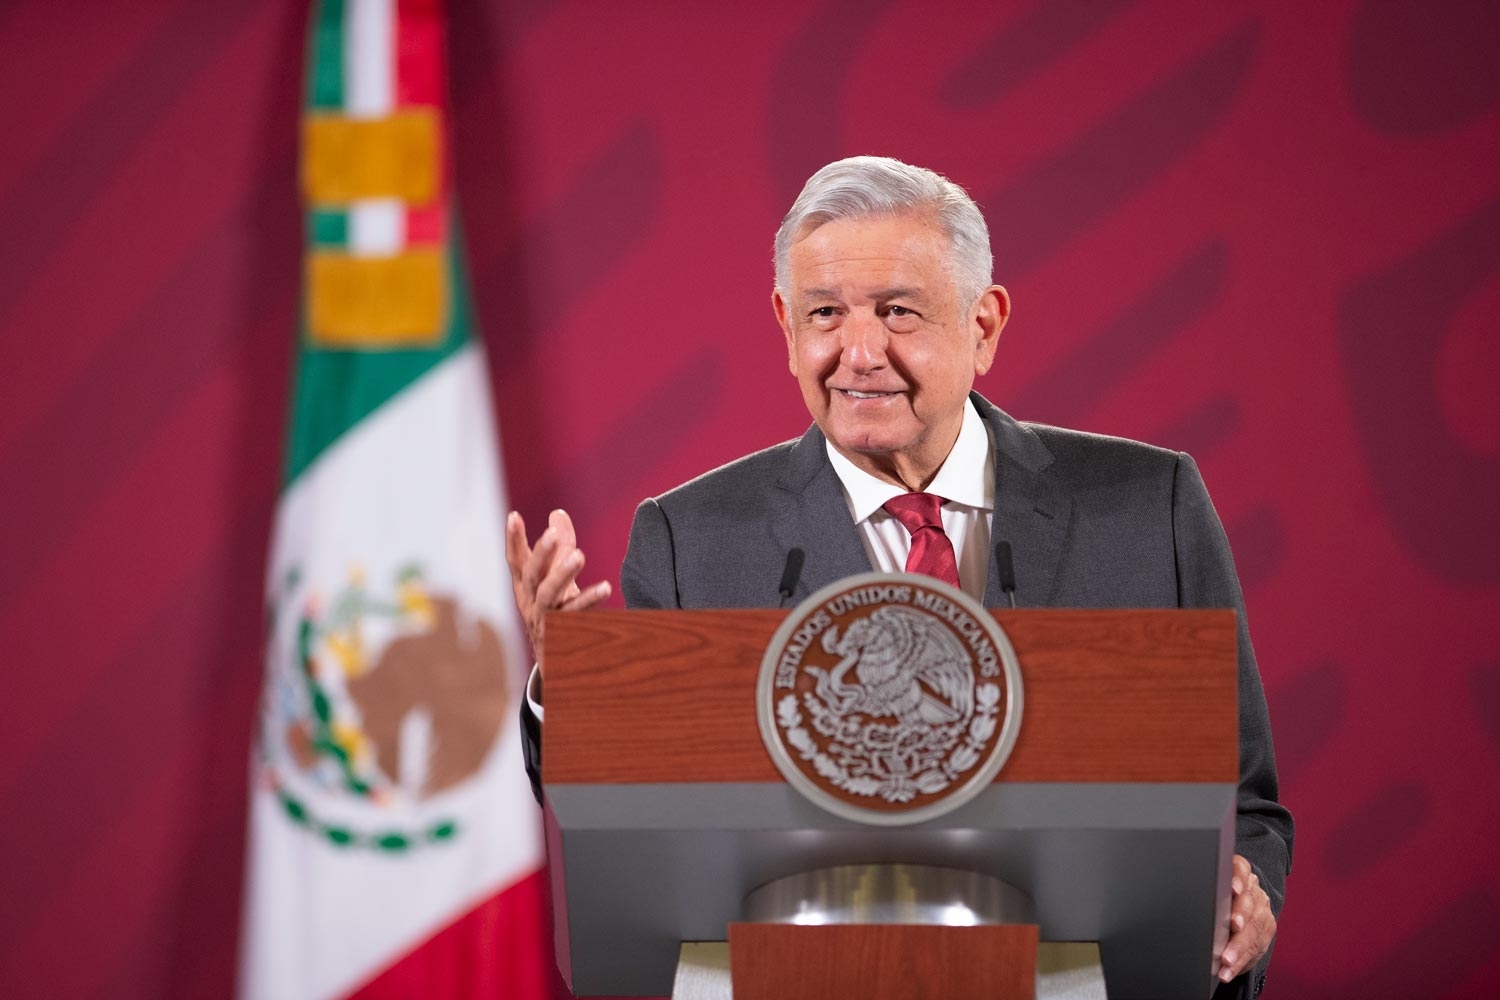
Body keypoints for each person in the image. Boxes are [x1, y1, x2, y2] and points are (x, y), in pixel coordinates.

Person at [504, 156, 1292, 996]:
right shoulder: (691, 540)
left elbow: (1244, 802)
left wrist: (1247, 895)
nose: (859, 352)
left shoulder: (1149, 506)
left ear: (983, 325)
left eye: (898, 312)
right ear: (785, 325)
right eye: (825, 313)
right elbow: (636, 828)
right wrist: (576, 684)